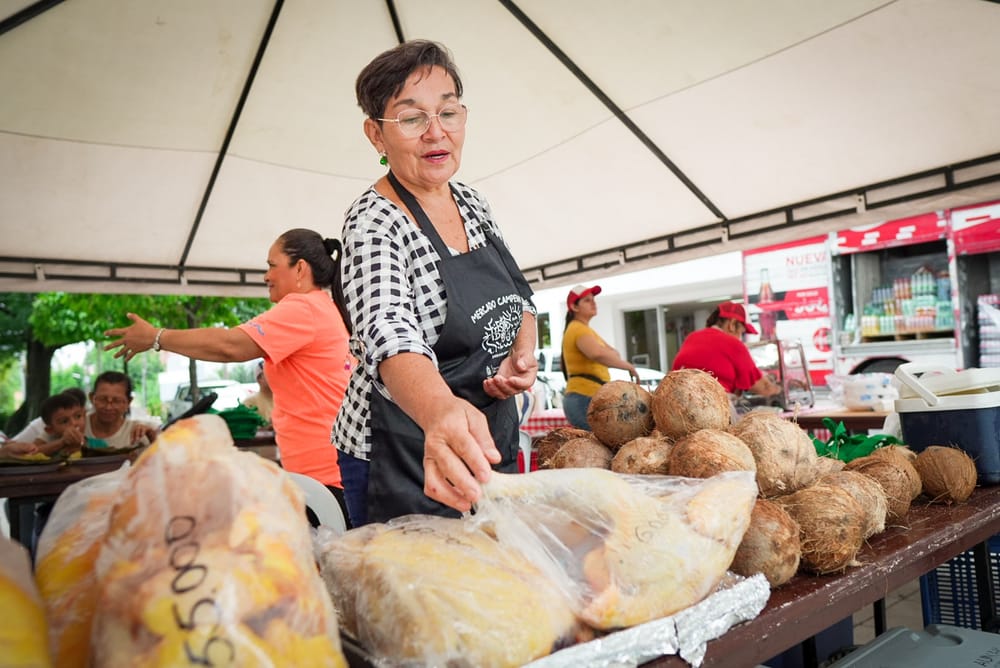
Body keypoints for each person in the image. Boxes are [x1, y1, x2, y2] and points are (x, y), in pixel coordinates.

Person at [334, 39, 538, 526]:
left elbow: (520, 294)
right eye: (411, 118)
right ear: (376, 135)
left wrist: (521, 354)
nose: (435, 132)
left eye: (448, 112)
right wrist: (440, 411)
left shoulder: (473, 204)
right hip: (401, 448)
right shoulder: (374, 222)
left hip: (485, 433)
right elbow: (389, 331)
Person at [104, 228, 353, 526]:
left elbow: (229, 346)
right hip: (333, 473)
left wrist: (157, 337)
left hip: (323, 480)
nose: (265, 276)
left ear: (299, 268)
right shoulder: (327, 307)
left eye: (272, 265)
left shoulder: (303, 307)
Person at [561, 284, 640, 429]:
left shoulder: (584, 329)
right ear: (574, 307)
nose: (593, 302)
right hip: (583, 398)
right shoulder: (577, 328)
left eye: (593, 299)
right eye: (587, 300)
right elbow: (598, 353)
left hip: (586, 397)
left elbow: (613, 353)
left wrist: (608, 354)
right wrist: (628, 366)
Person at [671, 301, 781, 400]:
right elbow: (763, 387)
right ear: (732, 324)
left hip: (677, 403)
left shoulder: (692, 337)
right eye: (741, 332)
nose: (739, 337)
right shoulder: (733, 344)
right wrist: (779, 390)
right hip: (711, 407)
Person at [86, 371, 160, 449]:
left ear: (129, 402)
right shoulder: (79, 425)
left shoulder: (140, 432)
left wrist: (152, 437)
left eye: (116, 401)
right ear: (91, 398)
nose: (108, 407)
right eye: (102, 399)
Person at [243, 360, 274, 427]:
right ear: (259, 378)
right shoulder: (249, 402)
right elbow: (246, 429)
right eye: (271, 373)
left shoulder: (284, 400)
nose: (276, 376)